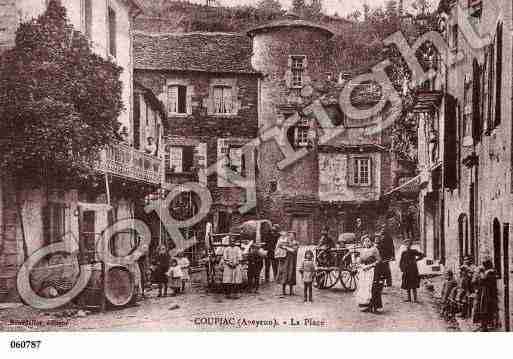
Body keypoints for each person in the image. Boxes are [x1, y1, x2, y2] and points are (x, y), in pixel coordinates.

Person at [356, 235, 383, 313]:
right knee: (365, 288)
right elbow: (359, 261)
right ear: (363, 243)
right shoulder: (362, 250)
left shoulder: (374, 249)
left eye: (368, 241)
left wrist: (370, 266)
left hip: (373, 271)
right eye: (365, 241)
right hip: (364, 271)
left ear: (371, 242)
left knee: (373, 288)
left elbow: (379, 260)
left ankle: (374, 307)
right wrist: (362, 266)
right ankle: (368, 306)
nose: (366, 243)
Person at [472, 258, 498, 331]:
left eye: (485, 265)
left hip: (487, 294)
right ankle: (482, 325)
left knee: (485, 309)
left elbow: (483, 278)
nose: (484, 266)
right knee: (480, 309)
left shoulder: (490, 272)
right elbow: (476, 280)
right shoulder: (486, 272)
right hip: (482, 293)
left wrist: (480, 273)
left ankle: (485, 326)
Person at [276, 231, 299, 297]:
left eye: (293, 236)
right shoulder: (284, 241)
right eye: (290, 235)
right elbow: (279, 246)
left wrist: (285, 247)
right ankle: (283, 291)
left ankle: (291, 291)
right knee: (284, 273)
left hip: (292, 261)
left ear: (295, 237)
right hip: (284, 261)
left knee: (291, 274)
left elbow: (294, 250)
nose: (291, 237)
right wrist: (284, 246)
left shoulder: (296, 243)